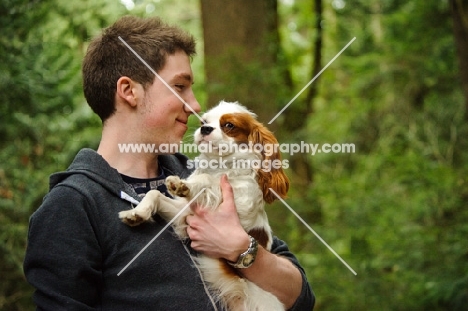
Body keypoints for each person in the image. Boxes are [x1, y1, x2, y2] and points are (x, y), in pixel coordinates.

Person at [23, 15, 315, 310]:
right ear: (129, 91)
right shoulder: (74, 207)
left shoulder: (205, 173)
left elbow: (301, 297)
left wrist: (243, 251)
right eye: (180, 86)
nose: (196, 106)